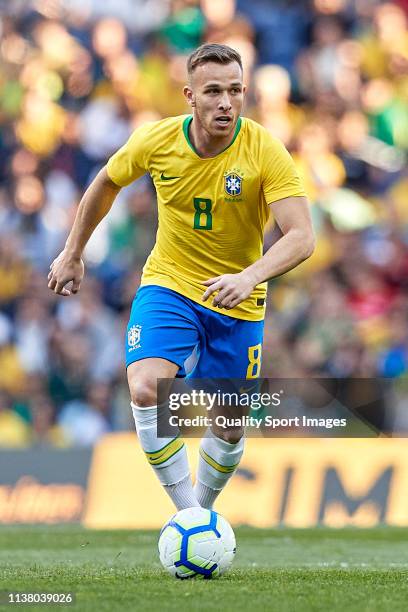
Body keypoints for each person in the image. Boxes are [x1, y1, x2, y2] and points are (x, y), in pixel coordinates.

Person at [48, 43, 314, 511]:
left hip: (237, 299)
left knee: (230, 426)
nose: (226, 102)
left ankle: (201, 512)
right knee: (146, 385)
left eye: (235, 90)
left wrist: (249, 277)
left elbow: (301, 236)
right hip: (169, 285)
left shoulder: (265, 150)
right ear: (190, 96)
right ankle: (190, 517)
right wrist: (72, 252)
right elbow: (106, 182)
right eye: (213, 91)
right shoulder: (157, 141)